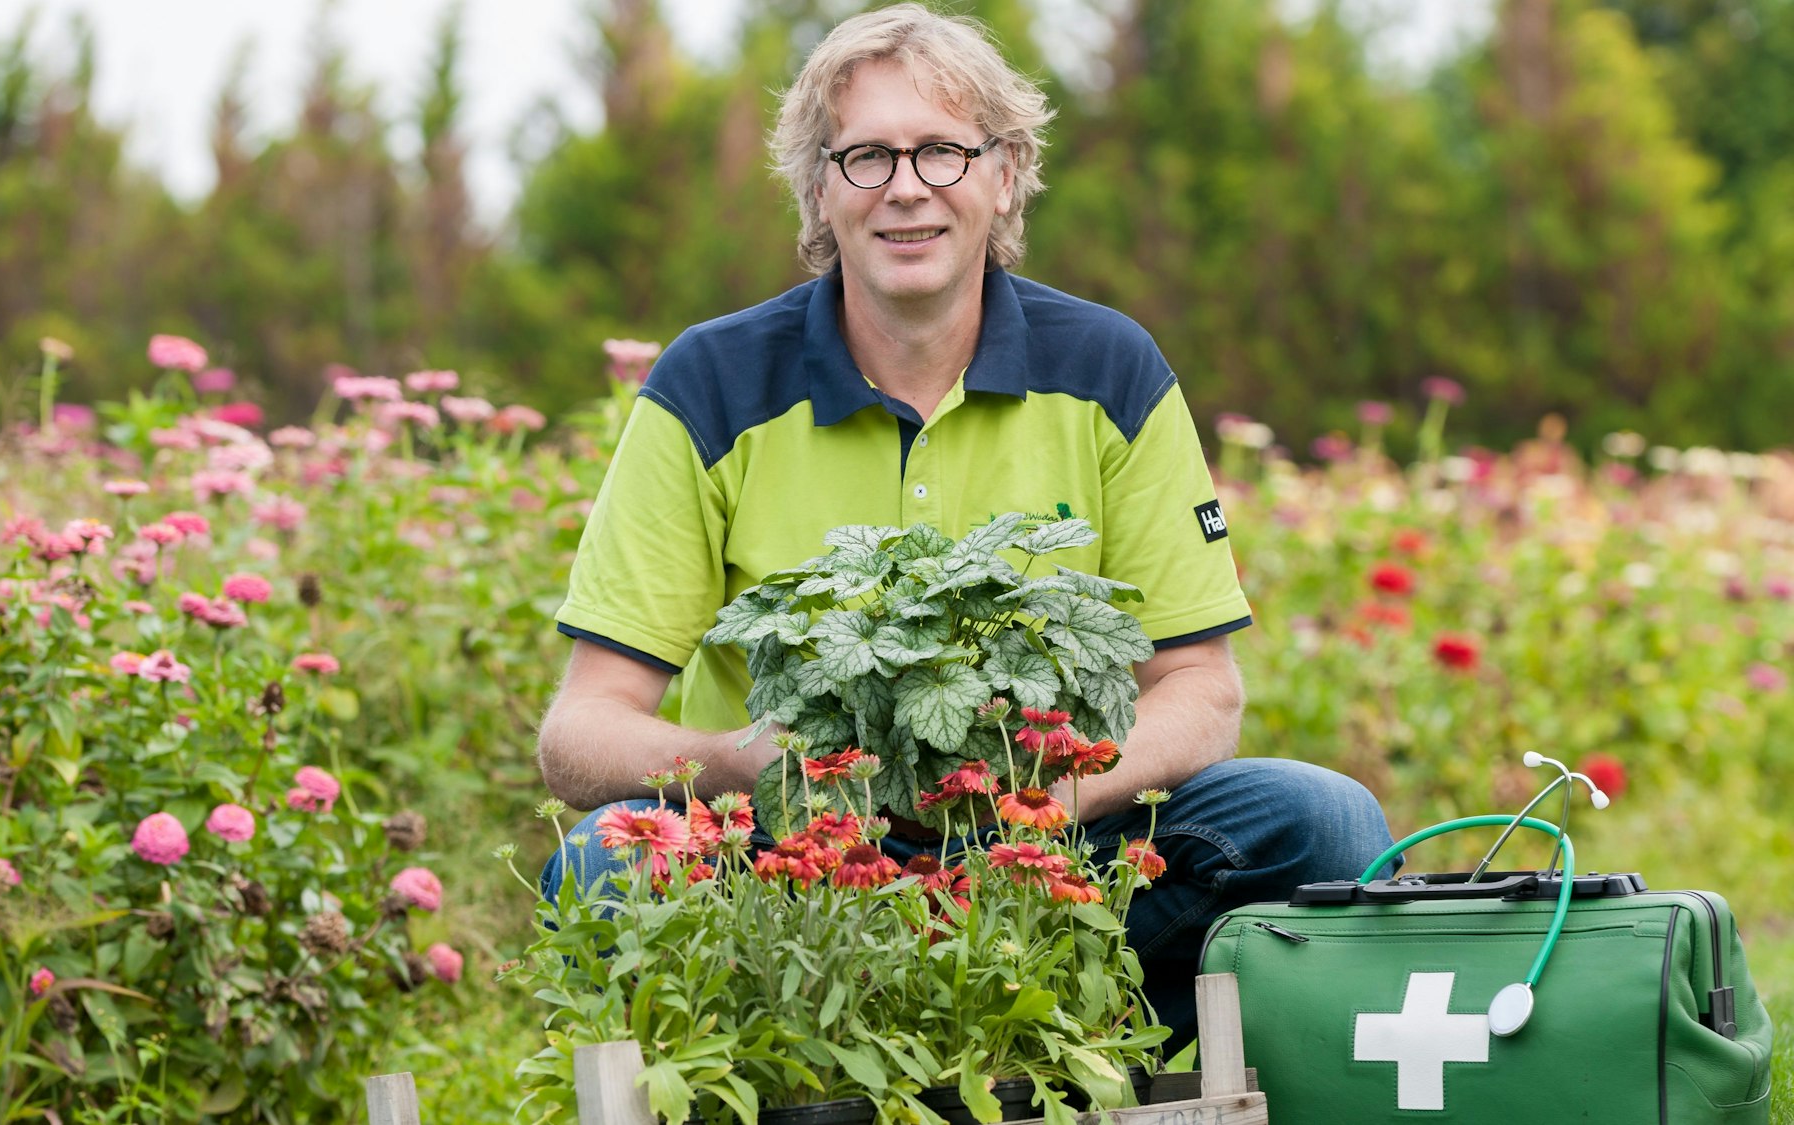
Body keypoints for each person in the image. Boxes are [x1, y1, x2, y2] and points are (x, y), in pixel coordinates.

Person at [536, 2, 1393, 1050]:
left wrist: (1055, 799)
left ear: (1003, 174)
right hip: (788, 864)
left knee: (1322, 824)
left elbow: (1201, 688)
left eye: (942, 150)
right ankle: (789, 1063)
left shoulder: (1108, 368)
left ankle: (1089, 1057)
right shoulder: (711, 384)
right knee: (599, 864)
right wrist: (746, 762)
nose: (906, 187)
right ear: (817, 187)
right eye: (864, 157)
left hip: (1051, 843)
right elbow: (581, 732)